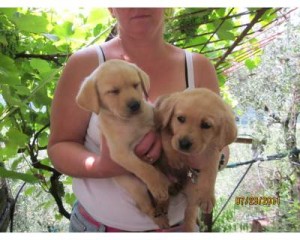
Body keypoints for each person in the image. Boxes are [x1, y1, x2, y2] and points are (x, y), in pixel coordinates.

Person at [47, 8, 229, 232]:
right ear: (111, 8)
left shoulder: (198, 66)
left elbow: (221, 140)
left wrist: (208, 159)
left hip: (180, 227)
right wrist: (104, 167)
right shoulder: (84, 64)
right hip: (98, 227)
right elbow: (59, 147)